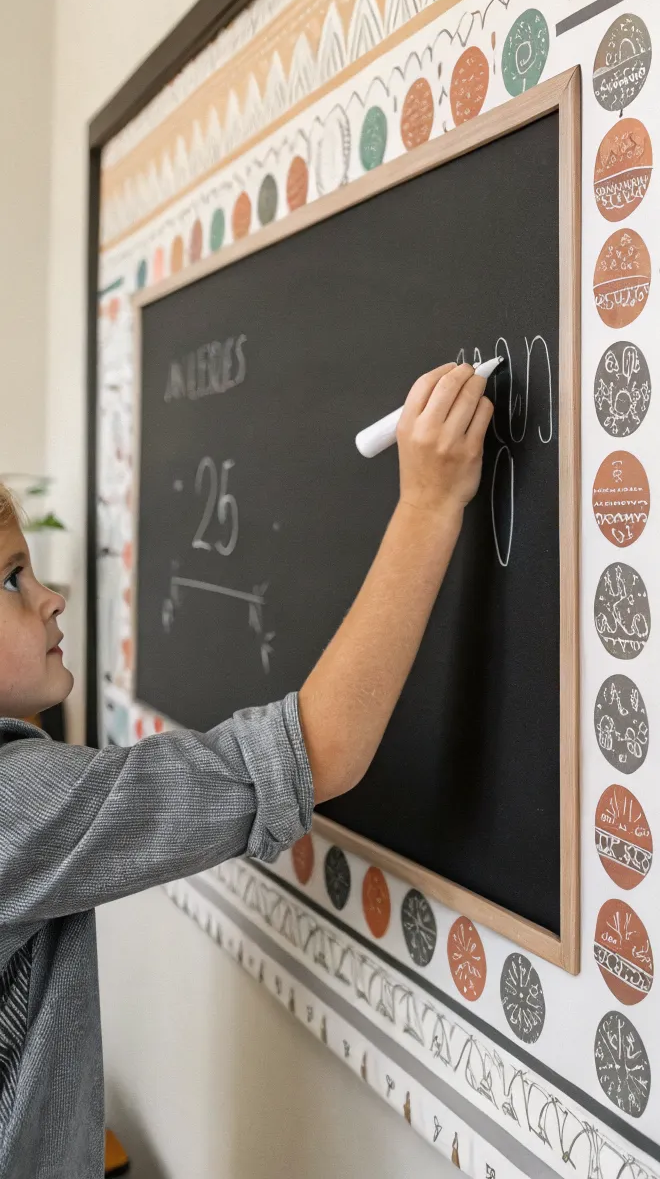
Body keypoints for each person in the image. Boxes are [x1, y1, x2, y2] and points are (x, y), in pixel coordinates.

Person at [0, 361, 492, 1178]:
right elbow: (320, 751)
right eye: (11, 579)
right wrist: (430, 503)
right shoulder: (17, 804)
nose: (51, 597)